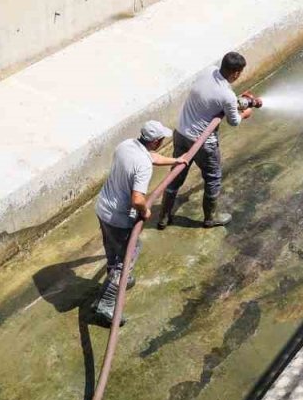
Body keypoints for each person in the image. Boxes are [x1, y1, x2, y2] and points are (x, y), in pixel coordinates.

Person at [92, 121, 186, 327]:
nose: (162, 142)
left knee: (112, 247)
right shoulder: (142, 165)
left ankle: (114, 280)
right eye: (161, 139)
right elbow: (137, 199)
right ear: (155, 141)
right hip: (119, 217)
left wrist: (177, 160)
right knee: (128, 255)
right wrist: (145, 210)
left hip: (103, 208)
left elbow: (151, 157)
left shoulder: (126, 145)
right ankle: (105, 305)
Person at [159, 51, 262, 230]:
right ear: (236, 73)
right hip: (203, 143)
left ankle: (163, 218)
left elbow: (213, 100)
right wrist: (246, 112)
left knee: (176, 175)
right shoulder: (227, 96)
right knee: (213, 178)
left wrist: (239, 102)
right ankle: (209, 219)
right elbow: (233, 121)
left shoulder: (208, 71)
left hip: (181, 133)